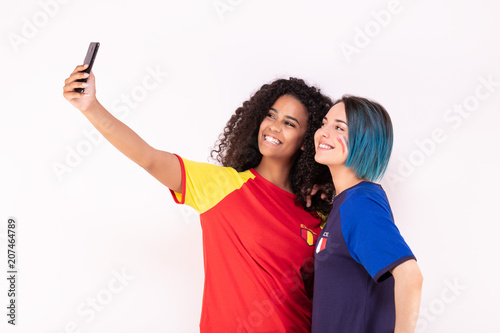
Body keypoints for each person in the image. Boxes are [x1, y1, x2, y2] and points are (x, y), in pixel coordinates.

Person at [63, 64, 334, 332]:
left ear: (305, 141)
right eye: (271, 116)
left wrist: (334, 190)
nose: (274, 127)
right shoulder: (221, 187)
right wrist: (91, 107)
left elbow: (331, 293)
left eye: (289, 123)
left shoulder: (316, 214)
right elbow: (148, 157)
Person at [311, 95, 423, 333]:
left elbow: (410, 275)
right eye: (324, 123)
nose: (323, 132)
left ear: (364, 142)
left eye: (339, 127)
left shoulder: (360, 204)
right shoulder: (346, 203)